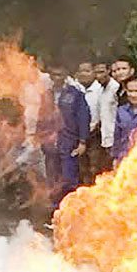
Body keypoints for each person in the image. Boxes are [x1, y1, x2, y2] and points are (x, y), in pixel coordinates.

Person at [48, 66, 90, 206]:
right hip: (50, 142)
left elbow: (83, 118)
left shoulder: (75, 94)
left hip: (69, 141)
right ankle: (55, 210)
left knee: (69, 177)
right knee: (53, 178)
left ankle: (70, 210)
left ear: (66, 75)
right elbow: (41, 118)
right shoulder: (46, 94)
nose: (57, 77)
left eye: (60, 74)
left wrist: (83, 141)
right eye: (54, 74)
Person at [92, 62, 119, 175]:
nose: (99, 76)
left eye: (102, 72)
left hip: (116, 137)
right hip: (104, 137)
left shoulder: (116, 88)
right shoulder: (99, 89)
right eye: (96, 72)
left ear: (109, 71)